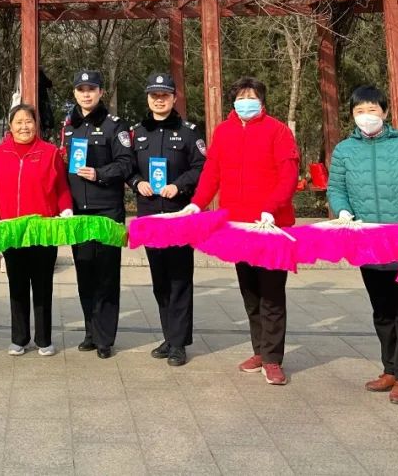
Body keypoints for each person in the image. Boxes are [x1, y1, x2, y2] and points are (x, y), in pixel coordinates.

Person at [182, 77, 299, 385]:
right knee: (250, 292)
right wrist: (197, 204)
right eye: (241, 97)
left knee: (271, 294)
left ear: (262, 101)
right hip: (237, 227)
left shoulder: (278, 131)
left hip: (271, 226)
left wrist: (270, 208)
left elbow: (288, 176)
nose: (246, 102)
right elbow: (212, 172)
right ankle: (260, 350)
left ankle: (272, 359)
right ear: (233, 102)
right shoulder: (223, 131)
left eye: (252, 97)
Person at [327, 85, 398, 405]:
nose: (366, 116)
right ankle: (390, 369)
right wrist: (343, 210)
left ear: (385, 112)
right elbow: (337, 189)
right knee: (382, 311)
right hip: (368, 243)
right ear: (352, 115)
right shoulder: (344, 151)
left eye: (372, 110)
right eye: (359, 111)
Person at [0, 104, 73, 357]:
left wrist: (66, 209)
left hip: (43, 230)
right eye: (19, 122)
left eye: (29, 121)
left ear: (36, 124)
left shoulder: (50, 152)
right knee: (17, 285)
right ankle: (19, 338)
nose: (24, 127)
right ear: (10, 126)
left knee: (43, 286)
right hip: (12, 231)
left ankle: (44, 339)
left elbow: (62, 188)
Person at [127, 73, 205, 367]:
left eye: (164, 95)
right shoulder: (137, 132)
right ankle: (169, 336)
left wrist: (180, 185)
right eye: (154, 95)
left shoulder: (188, 132)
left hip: (178, 214)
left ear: (174, 98)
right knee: (160, 280)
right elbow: (128, 167)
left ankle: (179, 343)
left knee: (180, 279)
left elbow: (201, 167)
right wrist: (137, 183)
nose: (159, 100)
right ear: (148, 98)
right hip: (149, 215)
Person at [60, 70, 135, 359]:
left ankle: (105, 338)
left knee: (106, 275)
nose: (86, 94)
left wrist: (99, 173)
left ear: (101, 92)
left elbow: (126, 163)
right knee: (84, 273)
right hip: (78, 211)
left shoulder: (115, 125)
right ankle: (91, 332)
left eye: (91, 89)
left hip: (106, 210)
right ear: (75, 93)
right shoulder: (69, 127)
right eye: (81, 89)